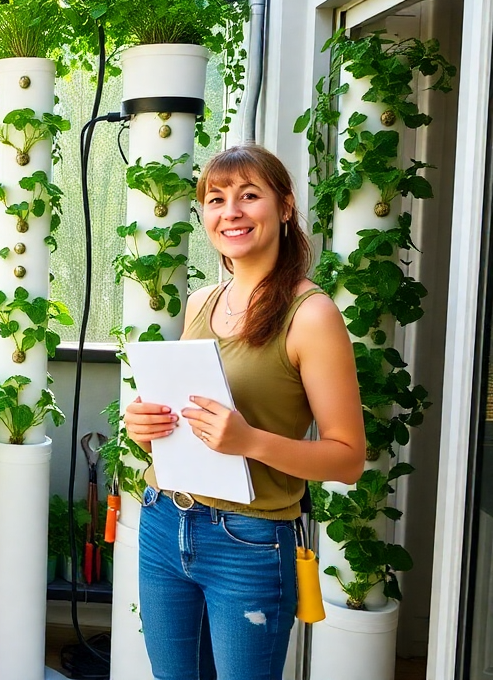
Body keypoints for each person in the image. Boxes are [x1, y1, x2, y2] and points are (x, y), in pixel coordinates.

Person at [124, 144, 366, 680]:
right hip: (165, 520)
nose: (229, 211)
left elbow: (348, 459)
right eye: (216, 198)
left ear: (284, 207)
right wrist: (148, 425)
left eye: (248, 195)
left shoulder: (312, 314)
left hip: (250, 541)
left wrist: (249, 441)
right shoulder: (201, 302)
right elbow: (191, 420)